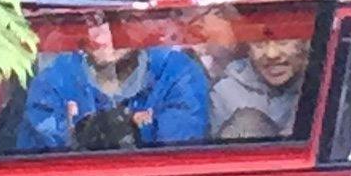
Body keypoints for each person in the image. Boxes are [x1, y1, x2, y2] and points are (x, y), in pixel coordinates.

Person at [15, 26, 210, 152]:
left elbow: (178, 160)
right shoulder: (55, 82)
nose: (106, 34)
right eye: (94, 21)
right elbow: (39, 168)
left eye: (118, 20)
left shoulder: (175, 73)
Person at [208, 26, 314, 141]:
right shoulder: (226, 91)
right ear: (248, 49)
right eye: (259, 43)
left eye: (283, 41)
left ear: (305, 43)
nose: (271, 54)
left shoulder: (322, 87)